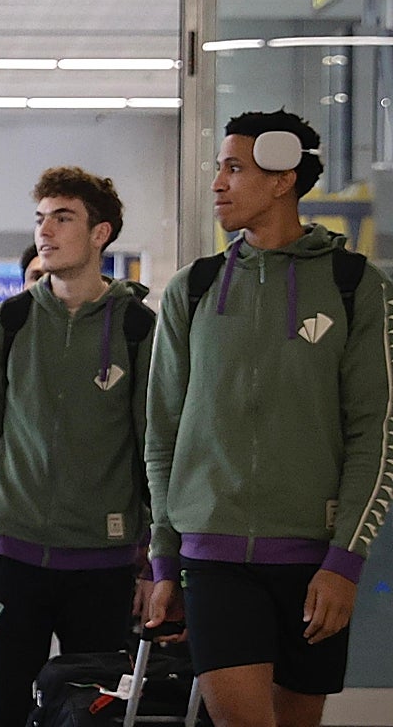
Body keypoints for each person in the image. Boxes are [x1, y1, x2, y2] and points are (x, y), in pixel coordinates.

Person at [145, 110, 393, 727]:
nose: (218, 183)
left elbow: (375, 433)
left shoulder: (354, 286)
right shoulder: (193, 290)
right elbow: (162, 436)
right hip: (214, 555)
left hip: (315, 558)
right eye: (219, 168)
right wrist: (164, 558)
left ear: (283, 180)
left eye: (235, 168)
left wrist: (345, 563)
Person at [0, 166, 154, 727]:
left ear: (100, 233)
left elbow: (150, 448)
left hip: (105, 556)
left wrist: (152, 553)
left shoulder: (139, 329)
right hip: (13, 550)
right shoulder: (5, 324)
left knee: (92, 713)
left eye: (63, 218)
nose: (46, 230)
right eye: (41, 218)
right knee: (5, 708)